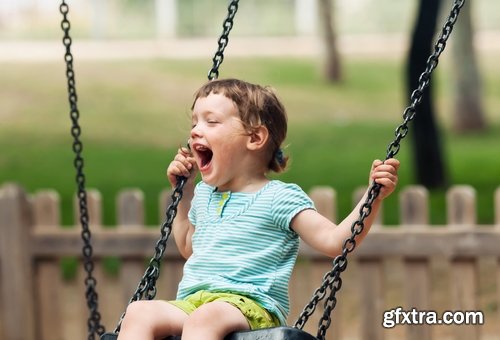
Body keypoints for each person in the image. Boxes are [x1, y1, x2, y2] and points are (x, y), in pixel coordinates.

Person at [117, 78, 400, 340]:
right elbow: (190, 247)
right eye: (194, 122)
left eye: (211, 122)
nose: (195, 131)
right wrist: (184, 193)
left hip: (251, 306)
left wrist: (372, 198)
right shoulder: (204, 194)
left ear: (255, 138)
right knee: (139, 311)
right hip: (193, 302)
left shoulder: (278, 198)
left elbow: (334, 241)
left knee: (206, 318)